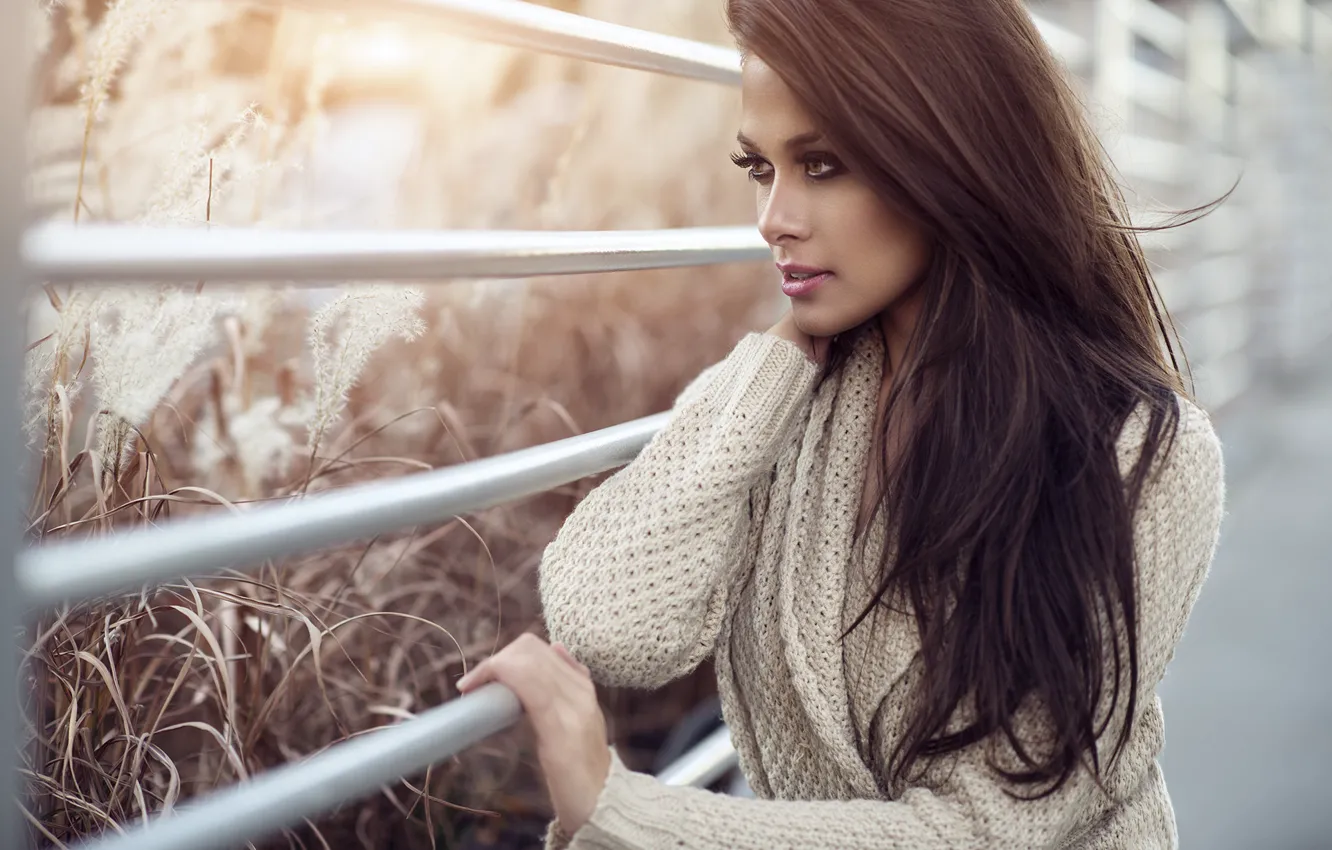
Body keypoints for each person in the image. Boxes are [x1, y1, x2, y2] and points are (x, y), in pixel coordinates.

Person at [455, 0, 1227, 846]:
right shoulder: (787, 402)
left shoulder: (1138, 450)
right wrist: (779, 356)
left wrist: (621, 815)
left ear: (950, 156)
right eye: (760, 168)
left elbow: (990, 829)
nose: (772, 218)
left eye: (822, 165)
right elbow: (611, 624)